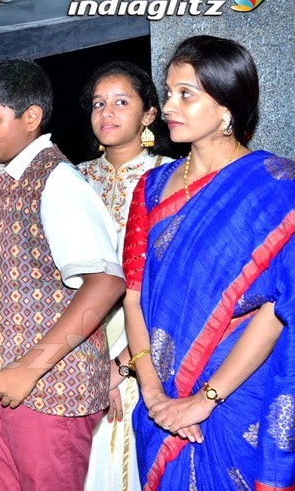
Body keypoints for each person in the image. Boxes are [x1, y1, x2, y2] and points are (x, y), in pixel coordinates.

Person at [123, 35, 295, 490]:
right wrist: (152, 393)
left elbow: (278, 309)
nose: (169, 105)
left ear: (226, 108)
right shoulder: (152, 188)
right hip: (158, 403)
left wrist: (206, 398)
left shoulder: (278, 189)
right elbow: (134, 293)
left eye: (186, 94)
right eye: (168, 91)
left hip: (238, 398)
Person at [0, 58, 126, 491]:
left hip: (49, 391)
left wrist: (28, 369)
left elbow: (105, 283)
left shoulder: (58, 182)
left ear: (31, 117)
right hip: (3, 384)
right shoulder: (2, 180)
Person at [77, 61, 178, 491]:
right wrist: (89, 362)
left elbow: (171, 282)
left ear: (149, 114)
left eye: (121, 102)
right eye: (99, 103)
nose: (107, 113)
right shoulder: (73, 178)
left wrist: (123, 365)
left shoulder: (173, 178)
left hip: (148, 342)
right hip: (82, 342)